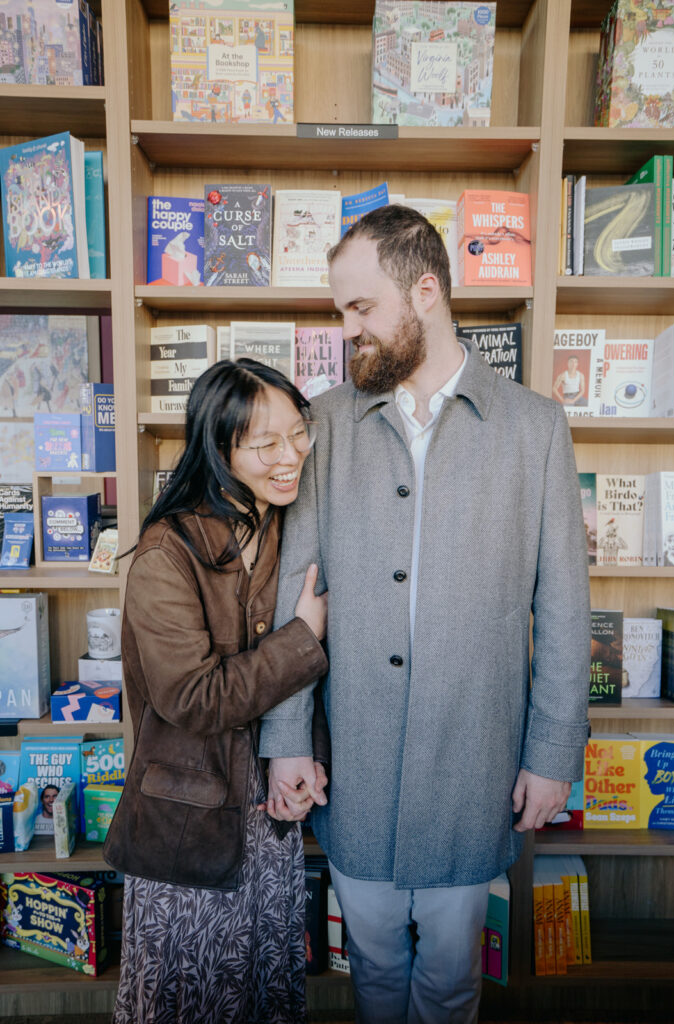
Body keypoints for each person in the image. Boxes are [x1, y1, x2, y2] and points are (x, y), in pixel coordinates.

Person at [260, 205, 591, 1024]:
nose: (347, 330)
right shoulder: (325, 425)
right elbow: (290, 600)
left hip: (473, 765)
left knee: (449, 982)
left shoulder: (534, 427)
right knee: (370, 972)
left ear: (427, 292)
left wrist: (553, 755)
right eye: (340, 311)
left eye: (361, 308)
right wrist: (286, 741)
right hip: (355, 768)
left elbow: (562, 604)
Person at [104, 359, 330, 1024]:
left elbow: (306, 688)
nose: (289, 457)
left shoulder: (291, 530)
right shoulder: (165, 553)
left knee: (263, 992)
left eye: (298, 434)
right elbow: (194, 699)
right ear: (219, 445)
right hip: (186, 828)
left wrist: (304, 755)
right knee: (187, 998)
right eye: (265, 444)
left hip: (267, 821)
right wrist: (301, 636)